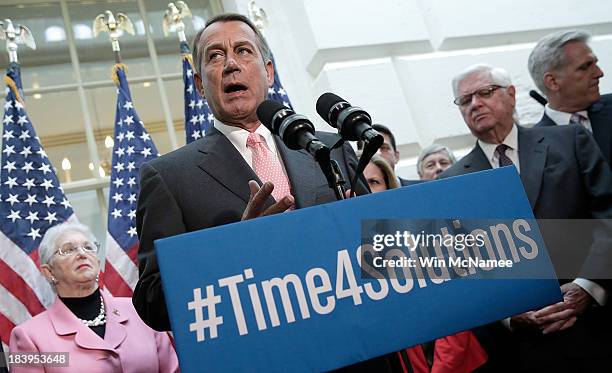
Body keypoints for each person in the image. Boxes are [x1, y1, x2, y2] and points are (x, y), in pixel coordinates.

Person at [133, 13, 390, 372]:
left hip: (361, 351)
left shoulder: (328, 149)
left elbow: (384, 250)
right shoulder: (167, 176)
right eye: (215, 56)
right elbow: (152, 302)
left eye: (243, 51)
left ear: (269, 71)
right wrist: (234, 251)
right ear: (198, 83)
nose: (231, 65)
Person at [441, 63, 612, 372]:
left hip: (597, 324)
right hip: (523, 349)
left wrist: (587, 286)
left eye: (485, 93)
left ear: (511, 94)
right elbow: (462, 265)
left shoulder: (569, 140)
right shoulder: (451, 181)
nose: (475, 104)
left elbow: (607, 214)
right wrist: (508, 316)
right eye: (465, 101)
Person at [364, 155, 487, 373]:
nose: (367, 190)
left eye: (374, 182)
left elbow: (454, 310)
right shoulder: (347, 258)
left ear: (388, 187)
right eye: (360, 184)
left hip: (457, 364)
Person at [9, 223, 179, 373]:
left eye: (88, 247)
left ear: (97, 261)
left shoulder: (140, 310)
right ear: (48, 272)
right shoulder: (27, 337)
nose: (82, 254)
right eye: (68, 250)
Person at [528, 29, 612, 166]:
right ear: (553, 82)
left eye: (595, 64)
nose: (599, 73)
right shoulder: (532, 146)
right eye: (585, 67)